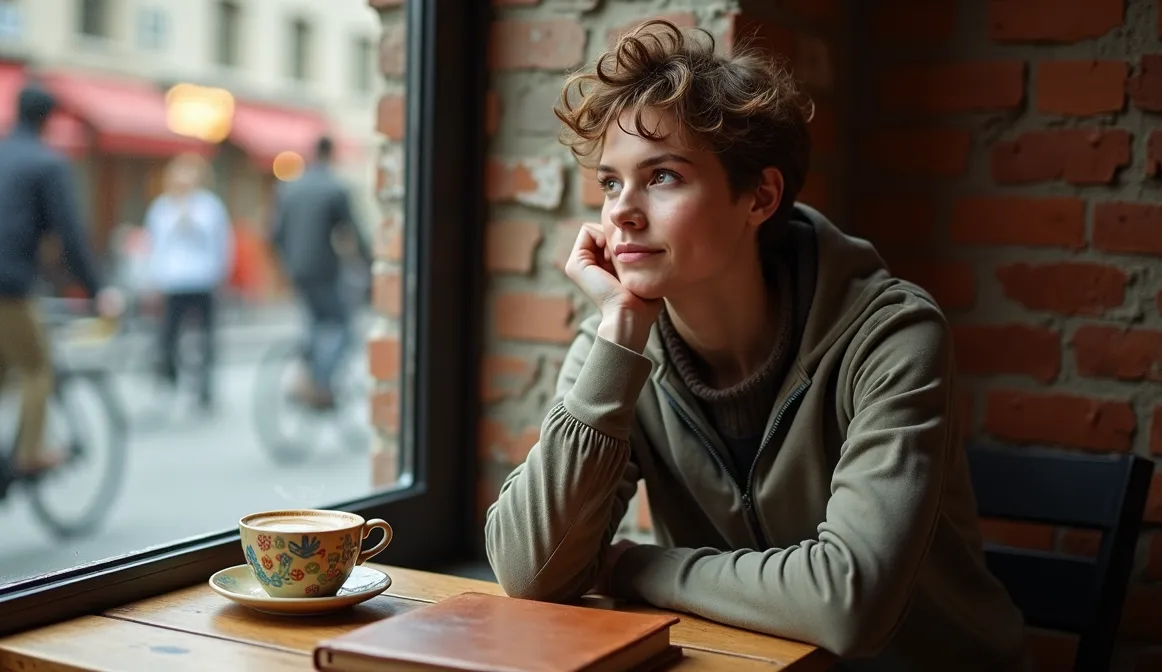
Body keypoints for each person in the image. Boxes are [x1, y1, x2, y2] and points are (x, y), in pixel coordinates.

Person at [483, 21, 1028, 671]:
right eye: (610, 182)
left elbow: (847, 603)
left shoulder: (891, 336)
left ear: (760, 196)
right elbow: (527, 570)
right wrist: (621, 331)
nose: (622, 212)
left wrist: (634, 566)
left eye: (662, 177)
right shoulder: (618, 345)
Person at [0, 82, 119, 477]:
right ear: (48, 121)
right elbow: (70, 236)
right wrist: (97, 290)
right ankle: (28, 454)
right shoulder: (46, 163)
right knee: (37, 366)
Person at [268, 135, 372, 411]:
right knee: (344, 329)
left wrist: (287, 264)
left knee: (314, 325)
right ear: (331, 154)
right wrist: (371, 263)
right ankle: (320, 385)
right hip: (324, 270)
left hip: (297, 270)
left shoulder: (289, 188)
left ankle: (303, 377)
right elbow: (352, 232)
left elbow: (275, 234)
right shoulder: (334, 188)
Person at [143, 152, 233, 412]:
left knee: (206, 338)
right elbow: (156, 246)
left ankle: (204, 388)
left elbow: (220, 243)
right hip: (172, 281)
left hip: (203, 279)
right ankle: (169, 381)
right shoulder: (161, 208)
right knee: (168, 337)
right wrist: (153, 278)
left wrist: (221, 274)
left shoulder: (209, 206)